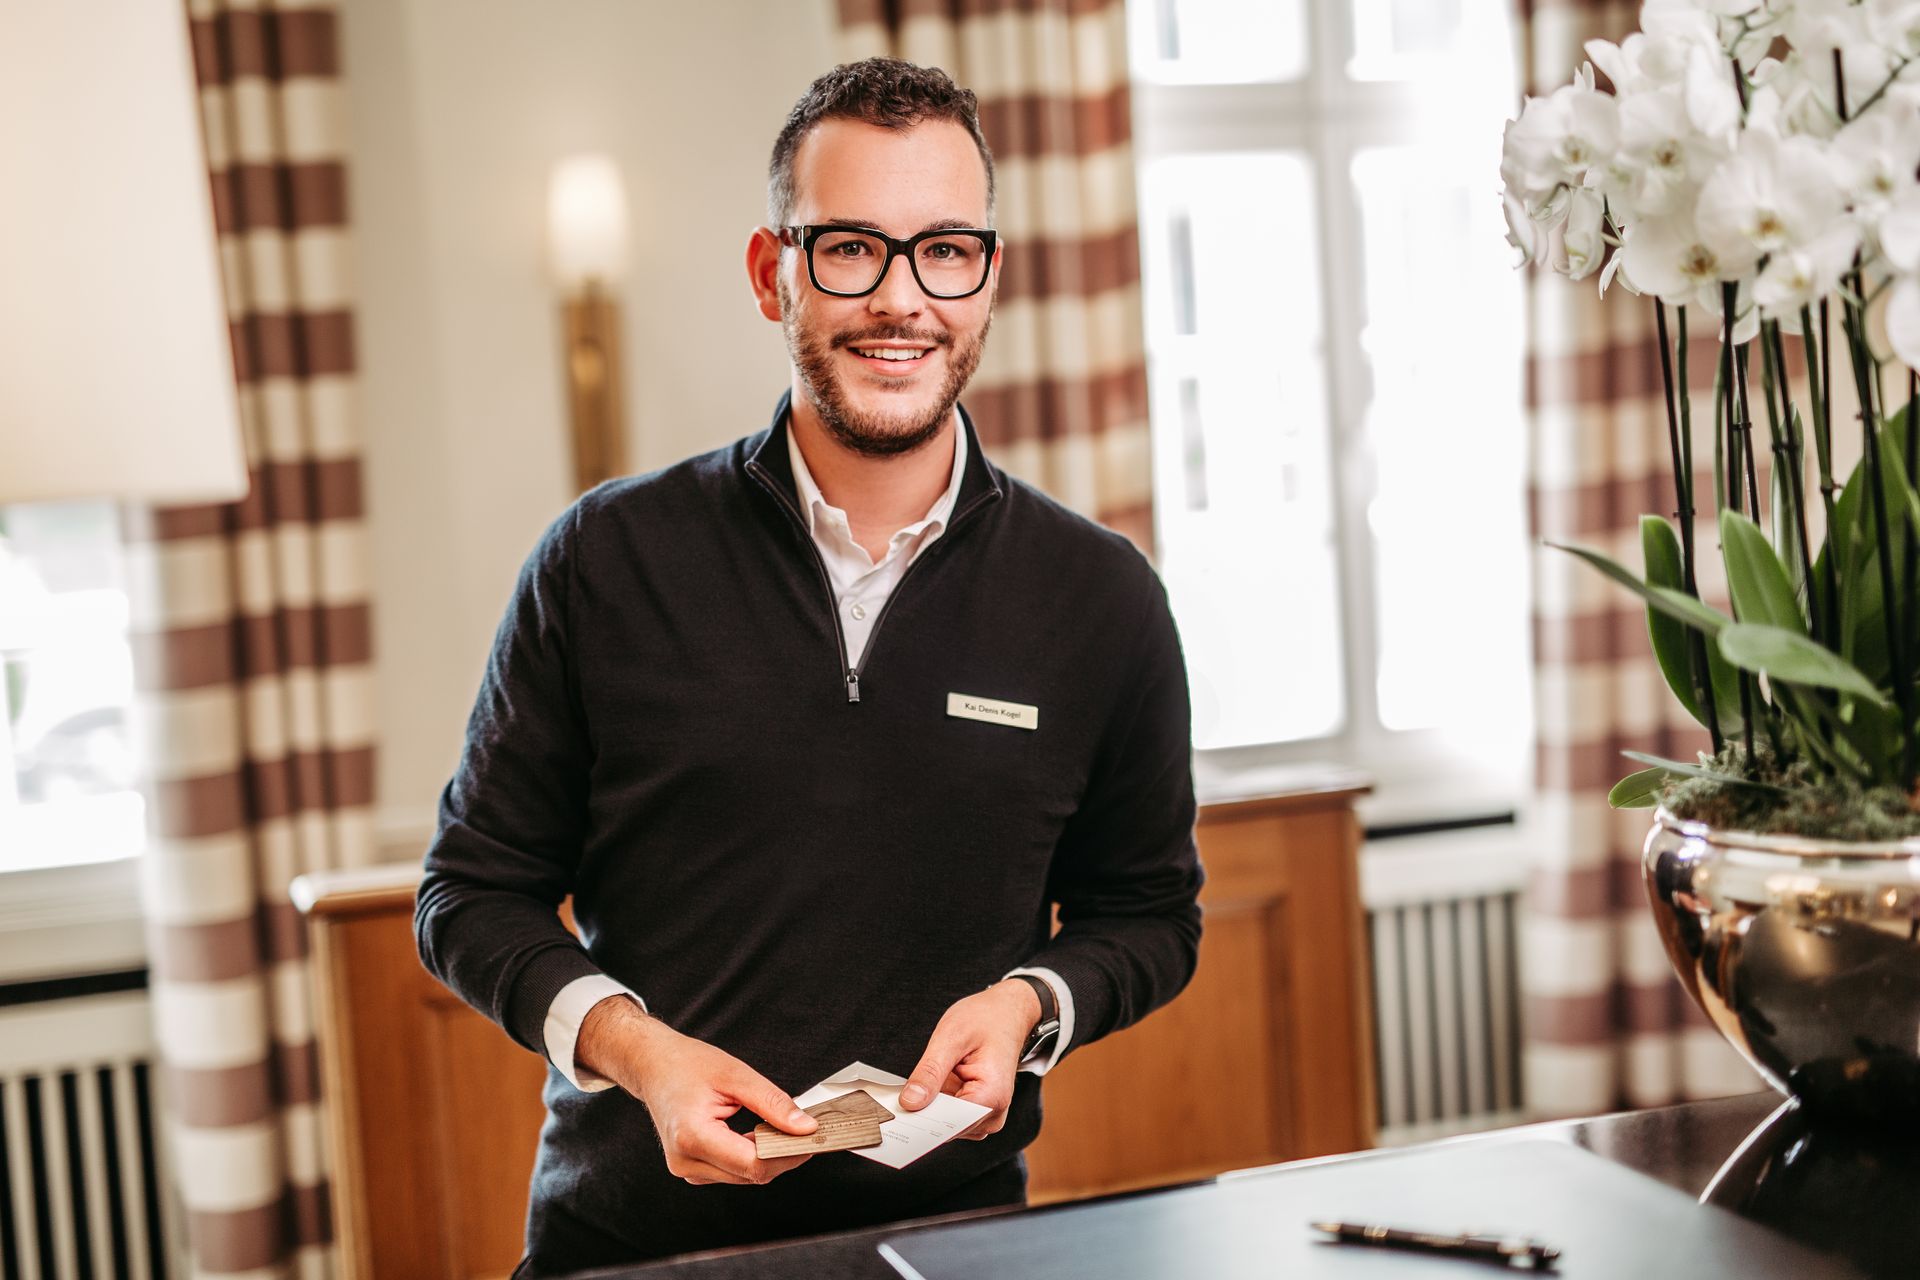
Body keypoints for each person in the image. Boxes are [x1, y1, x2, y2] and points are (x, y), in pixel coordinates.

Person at [416, 57, 1204, 1276]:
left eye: (946, 249)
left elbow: (1148, 916)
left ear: (989, 276)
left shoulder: (1102, 596)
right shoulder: (601, 560)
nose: (903, 298)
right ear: (771, 271)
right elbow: (468, 894)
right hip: (627, 1254)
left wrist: (1030, 1006)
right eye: (851, 248)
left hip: (952, 1249)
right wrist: (639, 1050)